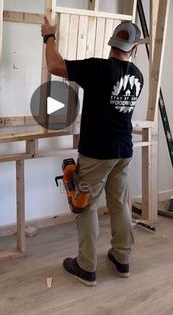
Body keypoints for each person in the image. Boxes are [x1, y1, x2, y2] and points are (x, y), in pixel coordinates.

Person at [41, 17, 144, 287]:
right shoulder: (138, 76)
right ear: (132, 49)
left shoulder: (98, 68)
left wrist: (49, 36)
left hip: (97, 153)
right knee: (120, 204)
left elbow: (54, 65)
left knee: (84, 207)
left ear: (112, 42)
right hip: (123, 151)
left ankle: (86, 267)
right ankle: (122, 260)